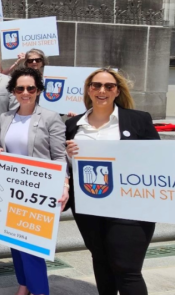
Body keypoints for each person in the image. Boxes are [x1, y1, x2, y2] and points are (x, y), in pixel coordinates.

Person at [65, 68, 159, 295]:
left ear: (117, 91)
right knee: (101, 261)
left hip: (130, 206)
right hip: (89, 205)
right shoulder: (72, 125)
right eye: (96, 85)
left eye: (109, 86)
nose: (102, 90)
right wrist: (69, 157)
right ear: (89, 89)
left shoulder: (138, 120)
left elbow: (157, 161)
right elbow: (65, 167)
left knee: (127, 270)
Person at [0, 67, 69, 295]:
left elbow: (58, 156)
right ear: (13, 91)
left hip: (39, 191)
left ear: (38, 90)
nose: (25, 92)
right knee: (15, 244)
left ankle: (39, 291)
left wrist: (64, 185)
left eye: (31, 88)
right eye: (20, 88)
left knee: (33, 248)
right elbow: (4, 148)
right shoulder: (6, 117)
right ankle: (23, 285)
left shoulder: (50, 117)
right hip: (11, 189)